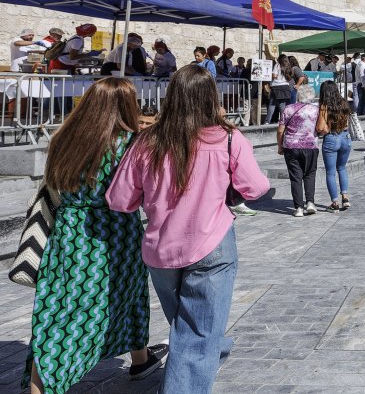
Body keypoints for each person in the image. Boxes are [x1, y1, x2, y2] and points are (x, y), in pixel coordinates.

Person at [107, 66, 269, 392]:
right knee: (196, 333)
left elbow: (119, 199)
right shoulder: (227, 138)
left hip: (161, 251)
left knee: (189, 324)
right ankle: (204, 355)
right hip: (212, 244)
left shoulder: (146, 142)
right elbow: (256, 188)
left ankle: (213, 345)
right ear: (212, 97)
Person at [24, 78, 165, 394]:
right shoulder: (130, 144)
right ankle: (138, 359)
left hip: (69, 232)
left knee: (59, 306)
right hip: (116, 232)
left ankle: (41, 384)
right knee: (127, 294)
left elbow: (53, 186)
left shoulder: (64, 139)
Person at [278, 84, 320, 218]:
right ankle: (310, 202)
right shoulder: (316, 110)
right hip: (311, 146)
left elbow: (280, 130)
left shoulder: (288, 109)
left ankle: (298, 208)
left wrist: (280, 146)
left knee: (295, 177)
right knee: (310, 174)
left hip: (291, 146)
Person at [316, 81, 352, 212]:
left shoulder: (324, 106)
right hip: (346, 137)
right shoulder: (344, 103)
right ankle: (345, 198)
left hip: (332, 138)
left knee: (330, 173)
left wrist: (325, 129)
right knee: (342, 168)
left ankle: (335, 202)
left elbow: (320, 127)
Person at [266, 54, 292, 124]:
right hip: (285, 86)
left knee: (272, 104)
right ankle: (282, 120)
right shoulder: (288, 66)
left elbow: (274, 75)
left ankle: (267, 121)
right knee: (282, 105)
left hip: (276, 86)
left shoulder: (277, 65)